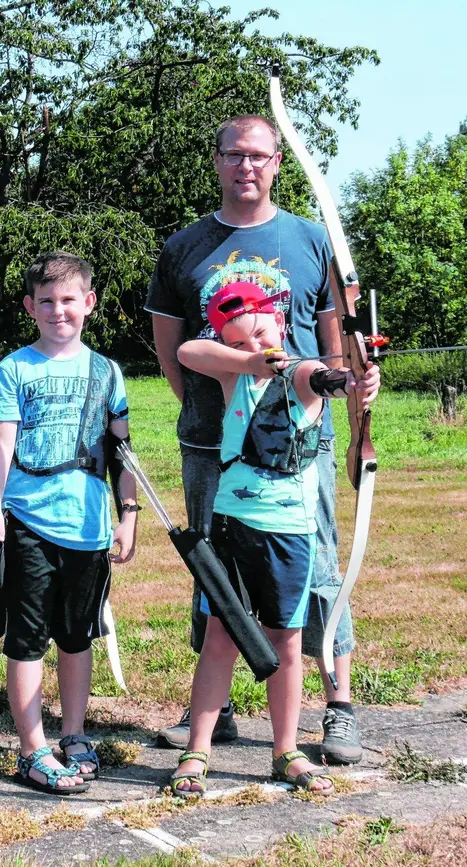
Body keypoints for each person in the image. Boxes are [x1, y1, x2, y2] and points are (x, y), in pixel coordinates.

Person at [146, 114, 366, 765]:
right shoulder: (185, 248)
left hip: (298, 445)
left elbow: (332, 346)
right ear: (215, 160)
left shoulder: (307, 239)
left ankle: (338, 706)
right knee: (214, 573)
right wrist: (223, 410)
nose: (247, 166)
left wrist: (344, 406)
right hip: (212, 445)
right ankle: (216, 714)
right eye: (235, 154)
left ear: (277, 164)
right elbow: (172, 354)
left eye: (260, 156)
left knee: (316, 571)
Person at [166, 280, 378, 798]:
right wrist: (247, 362)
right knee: (220, 636)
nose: (252, 346)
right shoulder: (234, 374)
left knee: (284, 640)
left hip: (289, 534)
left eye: (259, 332)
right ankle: (198, 750)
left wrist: (350, 381)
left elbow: (323, 376)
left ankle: (286, 749)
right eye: (236, 341)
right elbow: (188, 351)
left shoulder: (301, 372)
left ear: (279, 322)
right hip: (230, 526)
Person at [0, 251, 139, 795]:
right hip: (27, 522)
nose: (57, 311)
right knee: (26, 639)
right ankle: (33, 749)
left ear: (89, 303)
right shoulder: (14, 368)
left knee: (76, 636)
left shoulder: (107, 372)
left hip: (89, 528)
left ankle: (74, 735)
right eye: (45, 301)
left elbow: (122, 450)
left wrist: (129, 515)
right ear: (30, 307)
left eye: (68, 300)